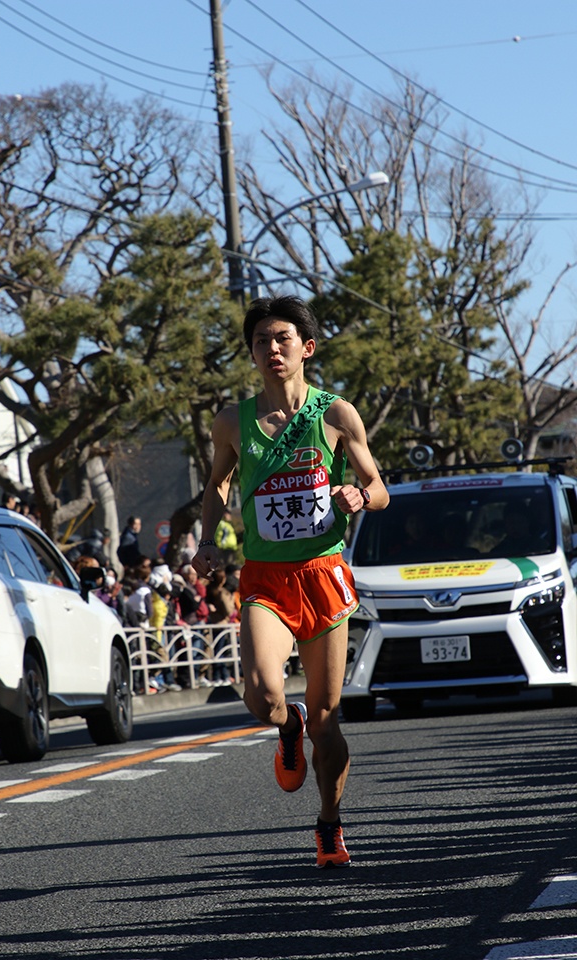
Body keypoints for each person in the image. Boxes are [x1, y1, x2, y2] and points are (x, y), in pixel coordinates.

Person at [193, 295, 389, 869]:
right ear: (250, 352)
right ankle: (286, 724)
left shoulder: (336, 414)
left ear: (305, 348)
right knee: (262, 694)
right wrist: (207, 540)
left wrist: (359, 494)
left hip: (323, 575)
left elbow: (377, 486)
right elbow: (216, 486)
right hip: (265, 578)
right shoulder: (233, 420)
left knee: (328, 723)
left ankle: (329, 822)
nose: (271, 349)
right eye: (260, 341)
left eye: (282, 338)